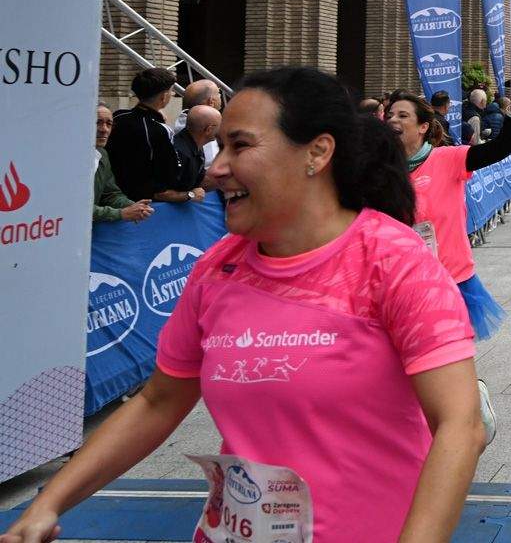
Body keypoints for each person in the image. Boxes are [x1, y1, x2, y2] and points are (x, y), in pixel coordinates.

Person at [5, 68, 484, 543]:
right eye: (222, 146)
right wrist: (49, 503)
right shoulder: (218, 269)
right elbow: (157, 402)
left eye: (241, 145)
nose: (216, 167)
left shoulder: (394, 261)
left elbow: (460, 425)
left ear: (317, 153)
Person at [385, 90, 511, 340]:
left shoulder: (448, 158)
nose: (393, 120)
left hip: (450, 277)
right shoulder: (383, 170)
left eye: (403, 115)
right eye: (390, 115)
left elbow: (500, 148)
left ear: (422, 127)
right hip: (401, 281)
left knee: (445, 354)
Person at [106, 67, 201, 205]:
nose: (172, 94)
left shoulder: (118, 116)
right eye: (171, 91)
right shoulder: (160, 130)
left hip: (112, 195)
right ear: (163, 97)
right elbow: (170, 175)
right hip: (143, 203)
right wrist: (190, 194)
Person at [93, 103, 152, 224]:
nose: (104, 129)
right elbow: (77, 207)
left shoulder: (102, 154)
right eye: (98, 122)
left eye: (109, 124)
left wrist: (135, 207)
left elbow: (110, 194)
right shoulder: (71, 159)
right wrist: (120, 214)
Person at [171, 79, 222, 169]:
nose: (220, 95)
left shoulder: (183, 120)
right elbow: (210, 165)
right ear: (211, 102)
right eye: (218, 93)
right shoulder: (202, 128)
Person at [174, 105, 221, 194]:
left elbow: (201, 179)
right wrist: (190, 195)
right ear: (208, 130)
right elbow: (160, 193)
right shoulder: (179, 152)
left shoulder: (196, 146)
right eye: (220, 125)